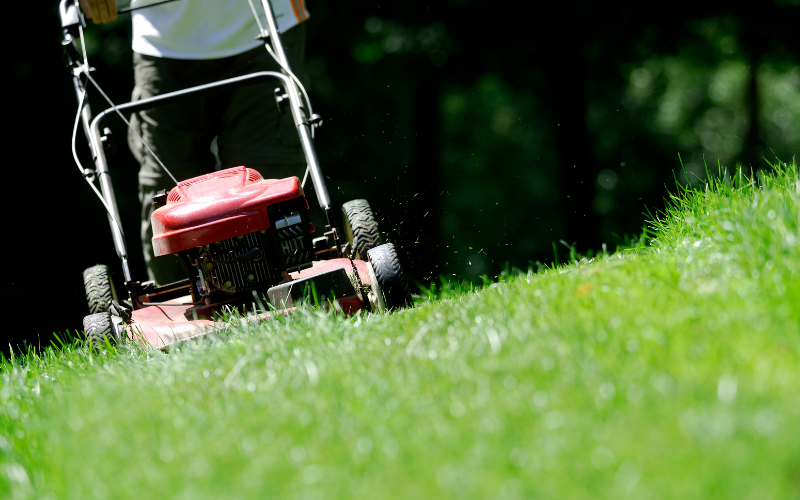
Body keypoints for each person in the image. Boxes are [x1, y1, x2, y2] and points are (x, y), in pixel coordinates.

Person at [78, 0, 310, 285]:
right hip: (161, 44)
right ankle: (182, 312)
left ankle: (299, 288)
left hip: (262, 25)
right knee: (166, 198)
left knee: (269, 186)